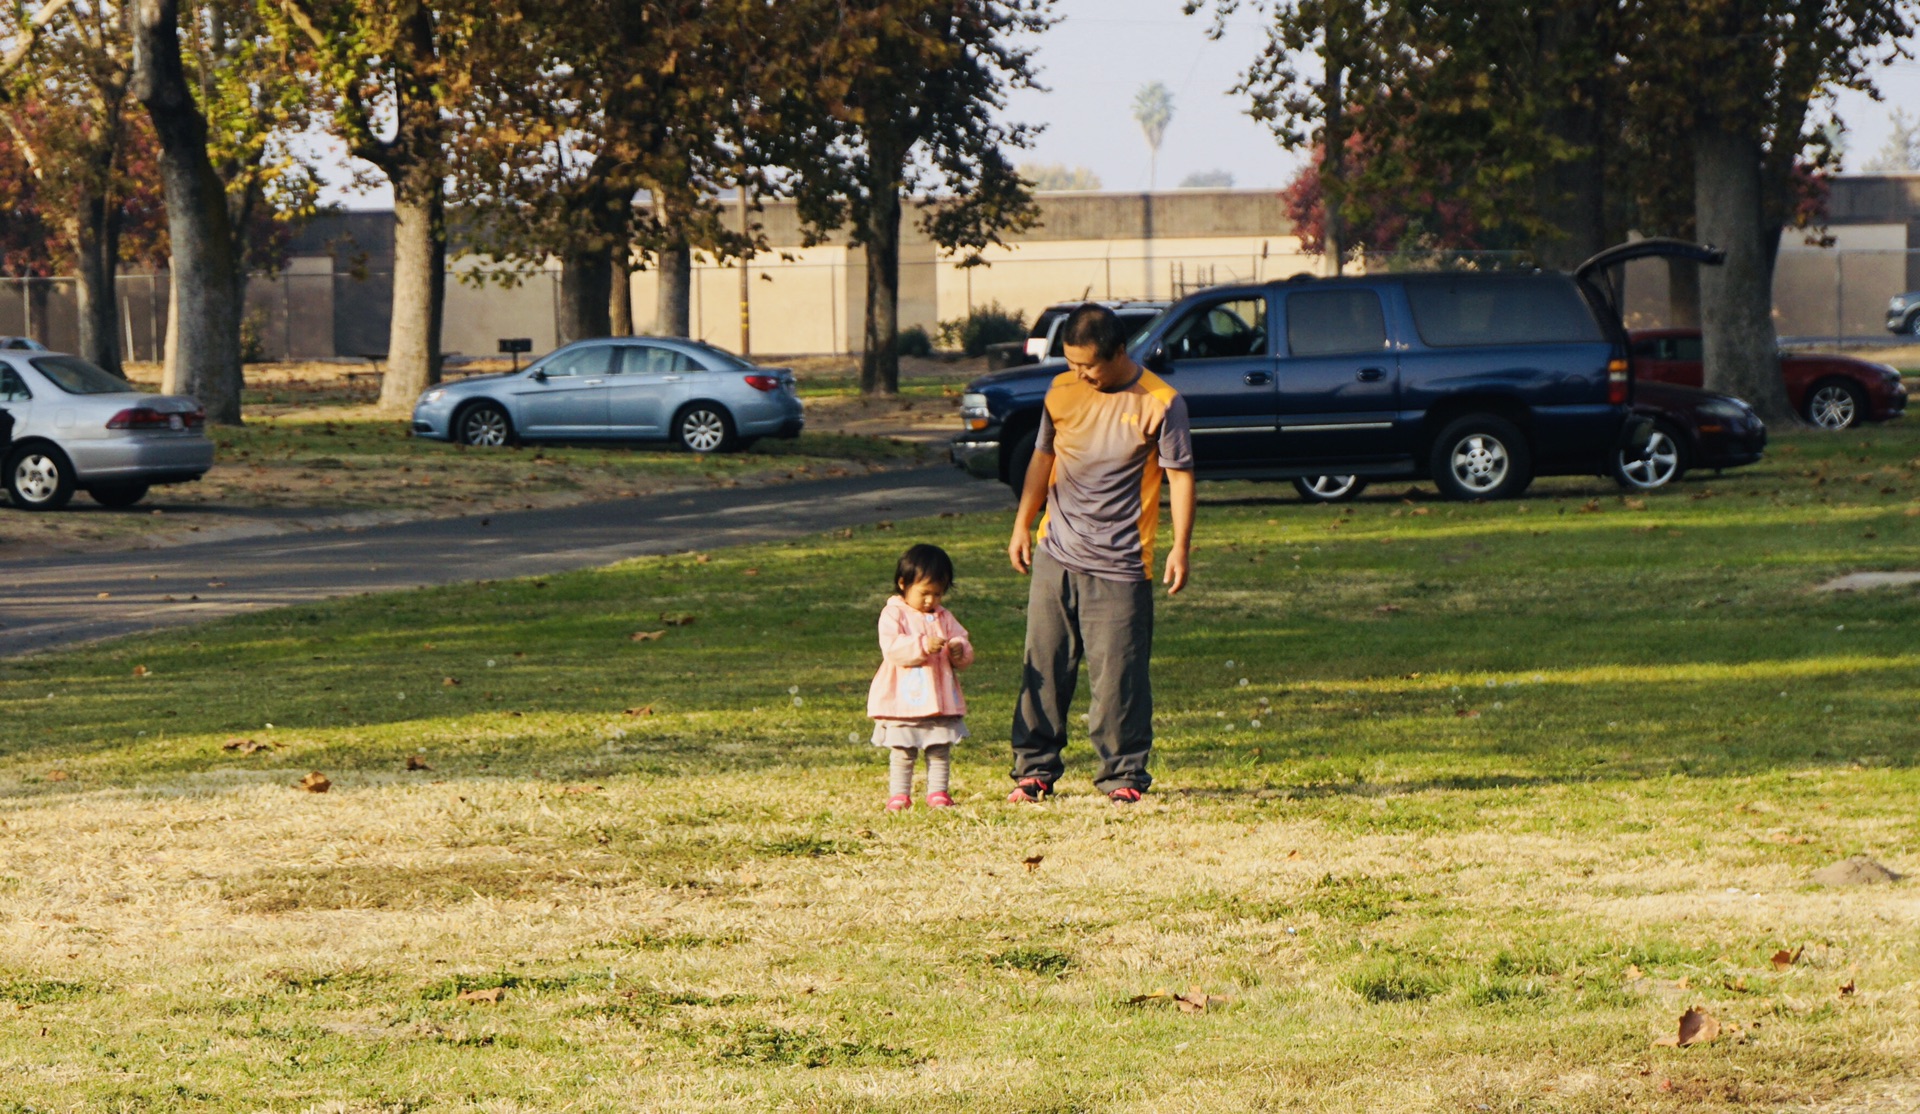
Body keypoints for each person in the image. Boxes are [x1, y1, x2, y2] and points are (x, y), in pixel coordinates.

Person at [1006, 302, 1194, 805]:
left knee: (1118, 677)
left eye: (1088, 365)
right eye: (1071, 363)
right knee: (1043, 665)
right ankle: (1034, 770)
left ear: (1117, 353)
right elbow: (1043, 458)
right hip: (1057, 552)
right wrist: (1023, 524)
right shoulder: (1061, 389)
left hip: (1122, 562)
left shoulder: (1161, 401)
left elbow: (1180, 477)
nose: (1079, 373)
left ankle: (1124, 775)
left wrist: (1180, 546)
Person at [867, 543, 975, 811]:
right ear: (903, 584)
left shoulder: (944, 616)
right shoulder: (894, 614)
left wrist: (959, 649)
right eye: (925, 593)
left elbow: (961, 642)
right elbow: (892, 649)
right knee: (904, 751)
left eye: (937, 594)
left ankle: (938, 792)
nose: (931, 601)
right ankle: (899, 795)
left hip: (938, 700)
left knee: (939, 748)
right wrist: (923, 645)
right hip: (904, 700)